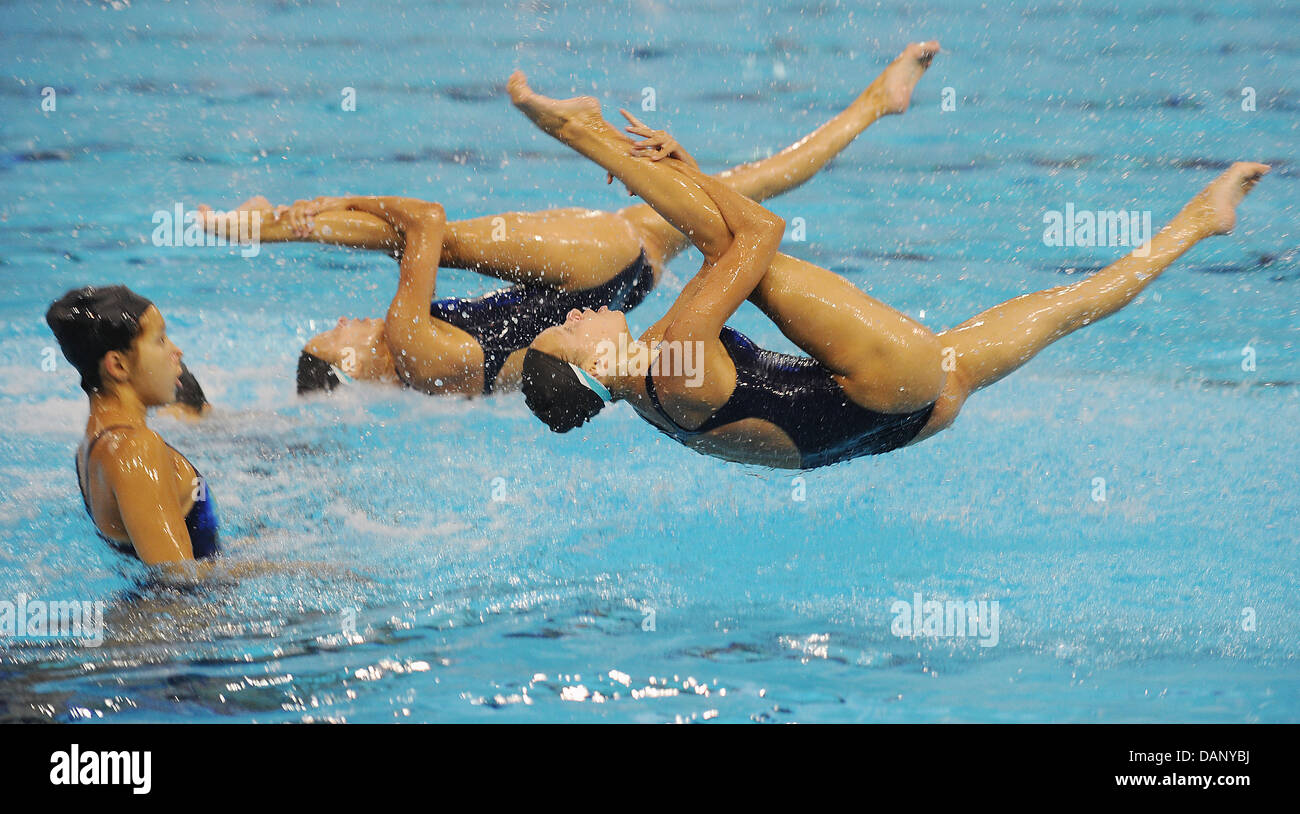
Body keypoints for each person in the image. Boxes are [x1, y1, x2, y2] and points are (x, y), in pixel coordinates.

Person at [508, 54, 1270, 469]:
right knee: (731, 250)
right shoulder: (669, 363)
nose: (573, 313)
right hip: (884, 382)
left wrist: (696, 174)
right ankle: (584, 135)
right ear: (595, 366)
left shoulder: (654, 395)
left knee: (1069, 308)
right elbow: (760, 233)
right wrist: (694, 171)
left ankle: (1201, 222)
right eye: (569, 332)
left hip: (905, 419)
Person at [199, 43, 940, 396]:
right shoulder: (410, 345)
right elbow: (424, 219)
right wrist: (323, 207)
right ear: (349, 367)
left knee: (741, 191)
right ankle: (270, 226)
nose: (340, 323)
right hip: (595, 275)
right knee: (443, 238)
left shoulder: (429, 386)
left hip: (609, 295)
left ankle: (877, 103)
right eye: (333, 337)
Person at [46, 286, 221, 562]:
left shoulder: (88, 450)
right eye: (161, 340)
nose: (177, 351)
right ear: (118, 365)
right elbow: (179, 582)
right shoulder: (137, 449)